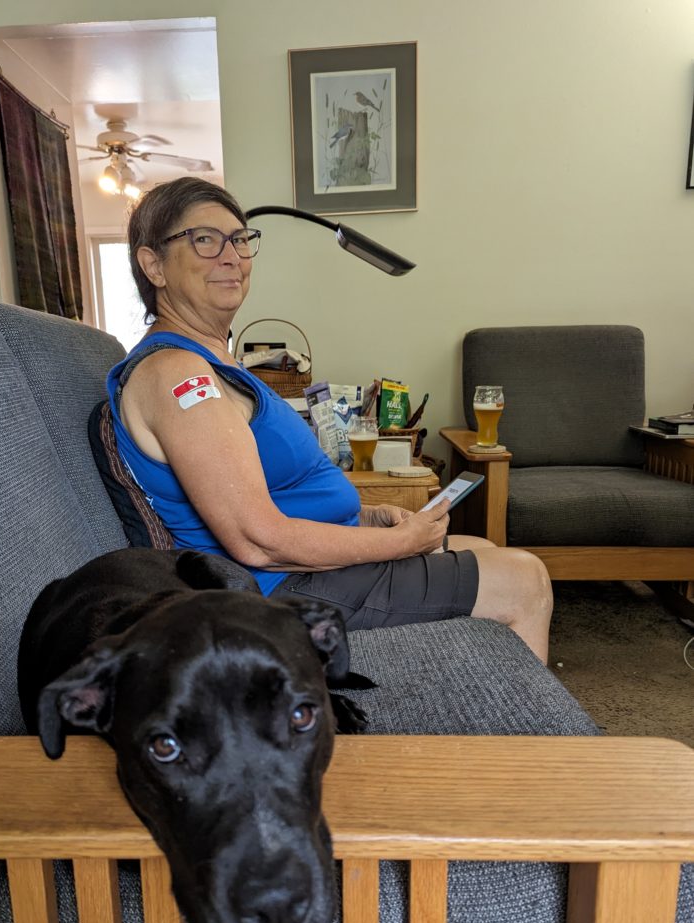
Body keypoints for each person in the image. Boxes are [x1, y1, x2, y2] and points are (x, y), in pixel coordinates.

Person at [106, 177, 553, 662]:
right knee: (524, 579)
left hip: (307, 571)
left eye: (239, 239)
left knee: (482, 545)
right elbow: (258, 541)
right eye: (205, 239)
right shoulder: (178, 375)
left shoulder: (219, 364)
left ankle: (484, 698)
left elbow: (271, 494)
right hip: (278, 591)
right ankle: (525, 733)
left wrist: (367, 517)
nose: (231, 256)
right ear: (153, 264)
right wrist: (397, 543)